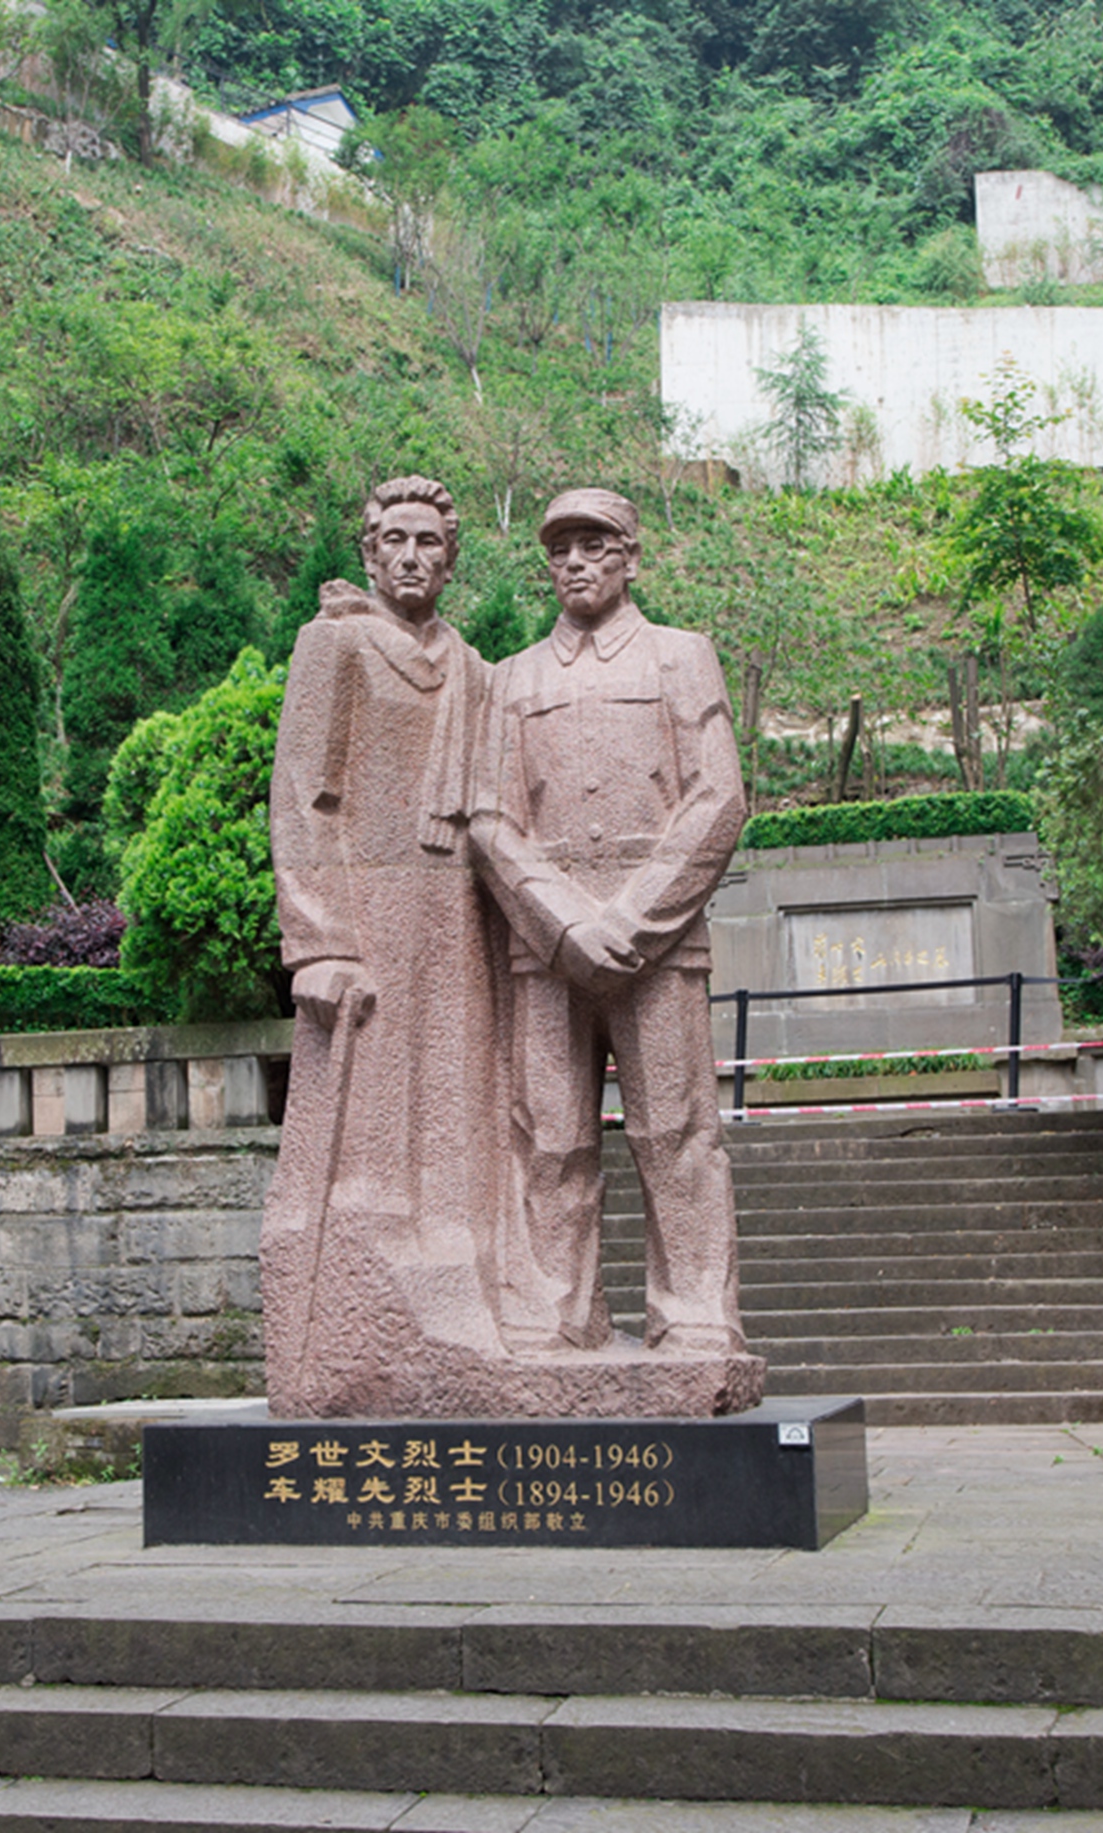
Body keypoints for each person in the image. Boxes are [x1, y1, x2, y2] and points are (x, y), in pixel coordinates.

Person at [472, 487, 751, 1358]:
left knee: (676, 1134)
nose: (576, 563)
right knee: (548, 1138)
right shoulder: (511, 678)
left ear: (630, 555)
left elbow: (720, 796)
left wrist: (633, 919)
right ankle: (556, 1309)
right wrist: (562, 924)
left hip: (658, 947)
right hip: (546, 951)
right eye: (561, 550)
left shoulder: (680, 657)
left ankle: (698, 1310)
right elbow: (488, 817)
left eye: (594, 545)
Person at [262, 477, 509, 1415]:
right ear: (370, 553)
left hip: (459, 909)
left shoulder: (474, 667)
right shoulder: (334, 645)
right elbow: (300, 793)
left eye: (429, 543)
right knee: (369, 1109)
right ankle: (354, 1308)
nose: (412, 557)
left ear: (452, 558)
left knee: (457, 1093)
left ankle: (457, 1269)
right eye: (395, 541)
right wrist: (319, 940)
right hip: (368, 911)